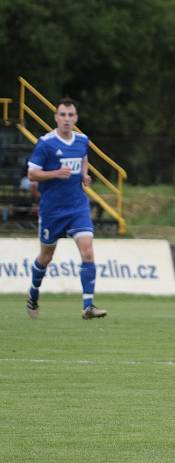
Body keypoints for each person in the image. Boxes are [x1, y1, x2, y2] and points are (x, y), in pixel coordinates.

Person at [25, 97, 106, 320]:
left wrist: (84, 175)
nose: (67, 119)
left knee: (88, 250)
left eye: (71, 115)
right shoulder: (46, 143)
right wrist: (54, 174)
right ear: (56, 117)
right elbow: (32, 173)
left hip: (77, 206)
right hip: (52, 211)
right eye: (63, 115)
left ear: (76, 118)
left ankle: (88, 306)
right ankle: (33, 293)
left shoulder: (82, 140)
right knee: (45, 257)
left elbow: (83, 159)